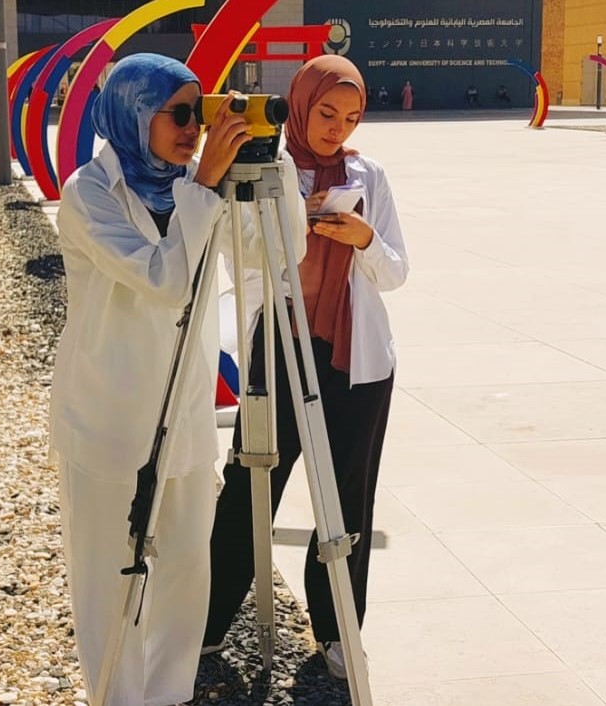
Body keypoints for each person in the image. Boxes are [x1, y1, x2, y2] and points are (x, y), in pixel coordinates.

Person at [50, 53, 304, 706]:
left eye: (201, 112)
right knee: (109, 578)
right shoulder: (89, 193)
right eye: (180, 114)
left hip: (184, 415)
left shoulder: (197, 185)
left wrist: (270, 165)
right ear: (135, 113)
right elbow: (165, 280)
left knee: (186, 574)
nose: (195, 128)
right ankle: (118, 698)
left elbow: (280, 252)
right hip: (108, 415)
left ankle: (167, 695)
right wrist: (208, 184)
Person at [203, 54, 409, 681]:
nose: (336, 129)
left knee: (347, 499)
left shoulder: (368, 175)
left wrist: (362, 238)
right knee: (250, 487)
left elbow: (396, 271)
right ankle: (206, 624)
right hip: (280, 349)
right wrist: (296, 218)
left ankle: (340, 628)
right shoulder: (265, 169)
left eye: (350, 117)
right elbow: (238, 259)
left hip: (356, 363)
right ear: (297, 104)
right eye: (325, 113)